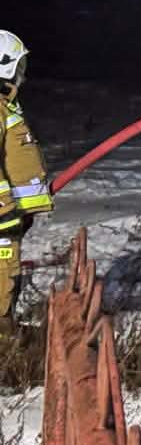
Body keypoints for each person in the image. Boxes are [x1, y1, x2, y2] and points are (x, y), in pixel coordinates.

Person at [0, 31, 53, 333]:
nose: (23, 76)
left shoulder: (4, 107)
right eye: (18, 67)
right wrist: (5, 212)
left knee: (7, 280)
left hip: (10, 220)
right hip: (2, 222)